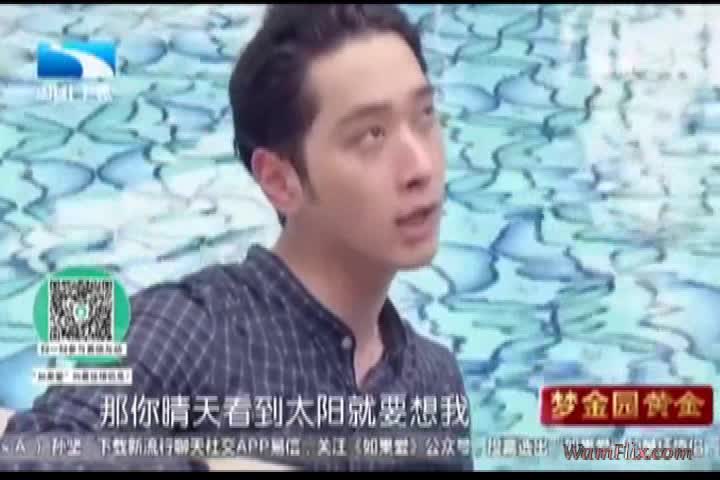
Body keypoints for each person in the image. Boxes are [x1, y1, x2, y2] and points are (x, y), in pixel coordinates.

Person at [1, 4, 472, 471]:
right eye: (371, 135)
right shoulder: (194, 330)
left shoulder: (433, 381)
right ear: (280, 180)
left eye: (425, 116)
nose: (421, 167)